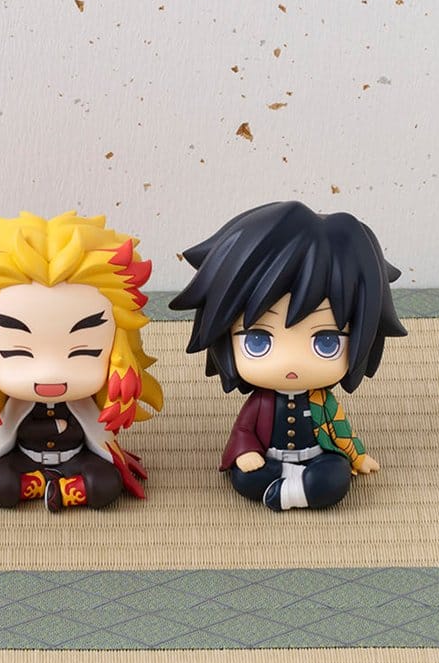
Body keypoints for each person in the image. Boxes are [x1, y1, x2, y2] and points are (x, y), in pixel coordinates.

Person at [170, 201, 406, 511]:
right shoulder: (261, 403)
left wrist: (357, 456)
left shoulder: (324, 402)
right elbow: (243, 430)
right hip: (270, 459)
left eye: (326, 342)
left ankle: (285, 492)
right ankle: (293, 490)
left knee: (335, 477)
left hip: (317, 457)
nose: (291, 362)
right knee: (246, 476)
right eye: (258, 341)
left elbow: (341, 431)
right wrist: (245, 452)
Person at [0, 211, 163, 512]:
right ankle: (38, 485)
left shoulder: (89, 403)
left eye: (84, 351)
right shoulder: (11, 407)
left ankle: (60, 490)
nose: (50, 375)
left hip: (77, 456)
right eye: (16, 352)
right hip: (23, 456)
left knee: (105, 483)